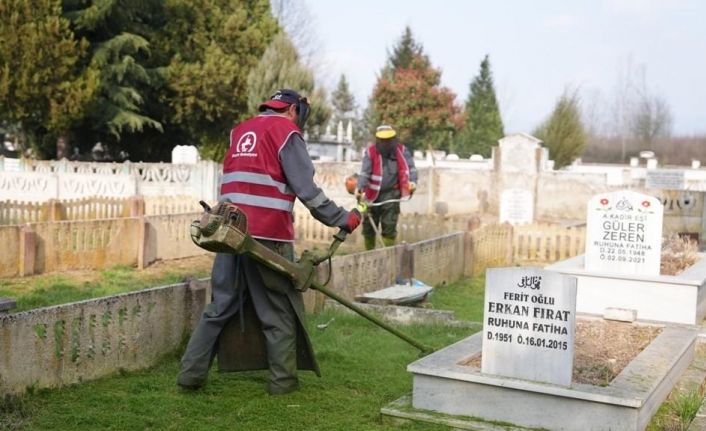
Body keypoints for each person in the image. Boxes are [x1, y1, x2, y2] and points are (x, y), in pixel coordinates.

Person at [177, 89, 362, 395]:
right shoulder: (287, 131)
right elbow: (307, 190)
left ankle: (189, 376)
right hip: (268, 235)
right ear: (292, 110)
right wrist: (341, 219)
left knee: (220, 306)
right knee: (277, 310)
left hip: (227, 231)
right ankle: (283, 383)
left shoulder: (241, 131)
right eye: (300, 114)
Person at [356, 125, 417, 250]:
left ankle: (387, 254)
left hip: (392, 194)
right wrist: (360, 188)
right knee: (368, 227)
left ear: (394, 139)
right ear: (378, 140)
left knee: (389, 226)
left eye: (389, 140)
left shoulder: (402, 151)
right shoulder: (371, 152)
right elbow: (365, 173)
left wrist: (413, 183)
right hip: (372, 195)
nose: (386, 143)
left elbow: (412, 169)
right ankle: (370, 254)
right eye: (383, 140)